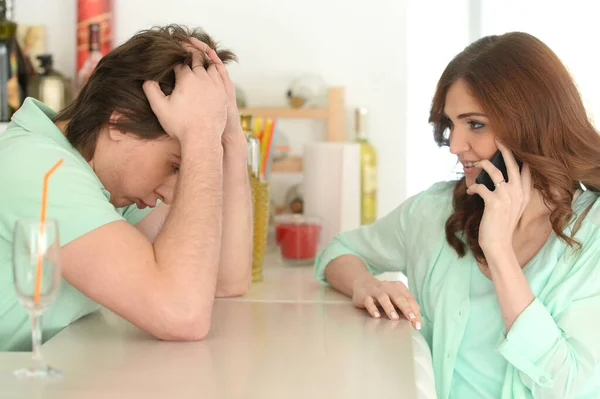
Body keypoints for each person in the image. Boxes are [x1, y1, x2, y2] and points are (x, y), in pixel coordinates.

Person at [314, 32, 600, 398]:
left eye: (475, 124)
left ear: (531, 124)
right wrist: (365, 284)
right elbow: (338, 253)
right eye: (451, 124)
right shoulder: (434, 212)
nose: (454, 145)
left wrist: (498, 252)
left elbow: (565, 386)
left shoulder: (590, 234)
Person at [0, 24, 253, 351]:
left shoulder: (104, 174)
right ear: (118, 123)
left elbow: (226, 278)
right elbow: (181, 313)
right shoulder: (40, 168)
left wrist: (230, 141)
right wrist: (201, 139)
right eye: (174, 165)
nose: (173, 193)